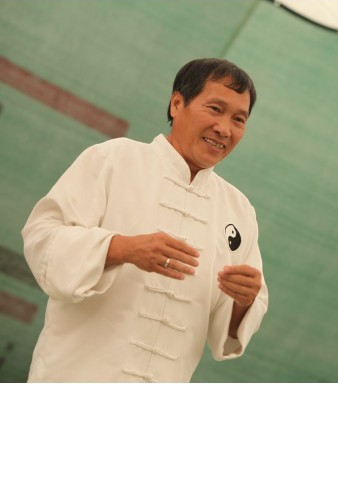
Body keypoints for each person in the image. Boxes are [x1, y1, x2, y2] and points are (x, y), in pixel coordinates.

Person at [21, 58, 268, 382]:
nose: (224, 129)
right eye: (215, 109)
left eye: (239, 119)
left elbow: (230, 330)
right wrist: (120, 249)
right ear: (177, 103)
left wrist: (245, 300)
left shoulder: (239, 211)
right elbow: (42, 238)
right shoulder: (113, 158)